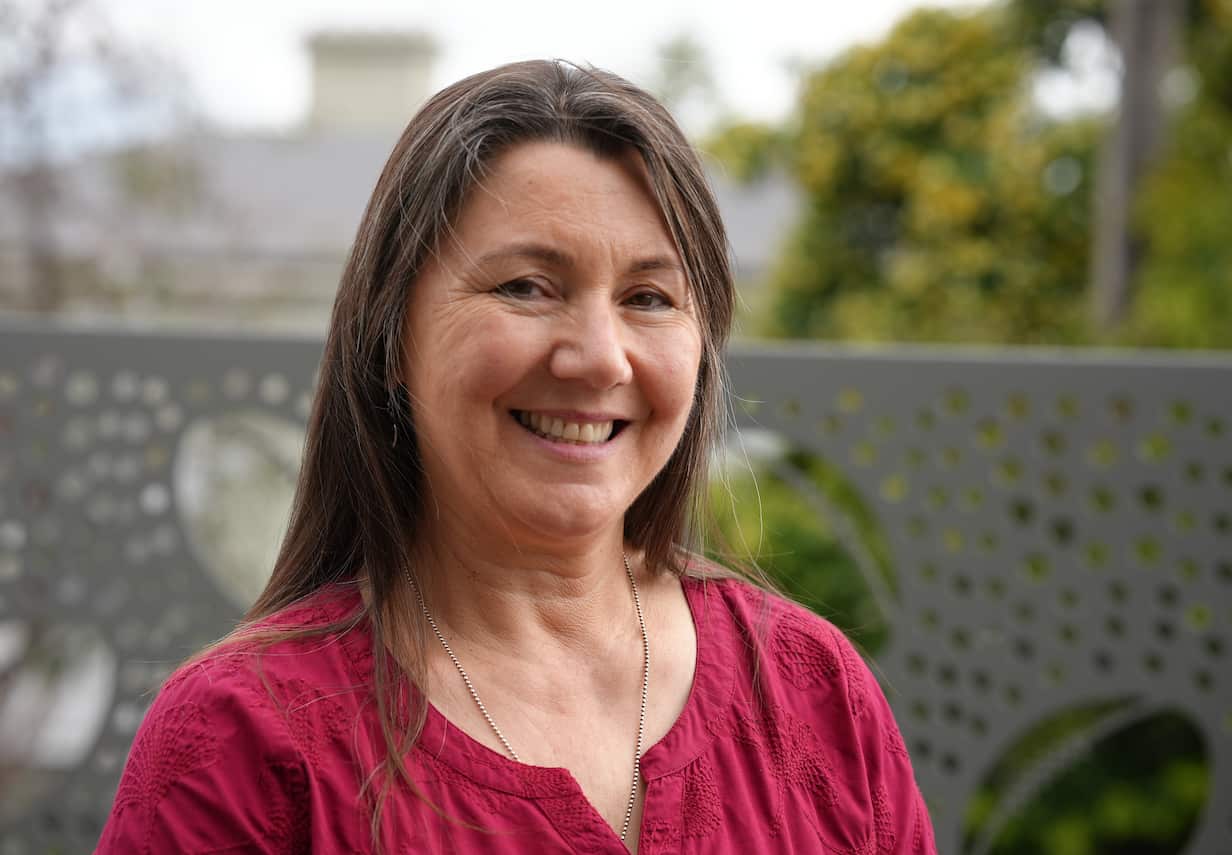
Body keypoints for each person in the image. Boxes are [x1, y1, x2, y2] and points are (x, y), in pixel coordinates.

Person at [96, 60, 936, 854]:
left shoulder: (814, 693)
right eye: (526, 287)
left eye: (649, 297)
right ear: (390, 335)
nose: (601, 358)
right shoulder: (239, 744)